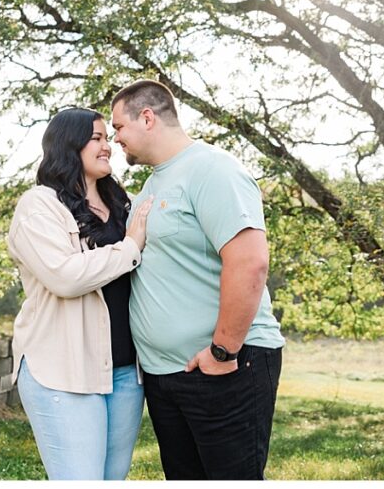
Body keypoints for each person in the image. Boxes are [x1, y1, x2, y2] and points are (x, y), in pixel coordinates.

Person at [110, 80, 285, 481]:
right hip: (166, 377)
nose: (116, 138)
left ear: (148, 117)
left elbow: (250, 262)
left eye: (119, 127)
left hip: (223, 368)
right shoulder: (152, 186)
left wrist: (222, 352)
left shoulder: (212, 169)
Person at [7, 107, 155, 480]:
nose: (109, 146)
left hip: (124, 374)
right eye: (98, 138)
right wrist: (129, 247)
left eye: (108, 138)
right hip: (63, 370)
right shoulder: (39, 206)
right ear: (69, 145)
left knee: (112, 479)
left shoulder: (124, 204)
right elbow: (65, 276)